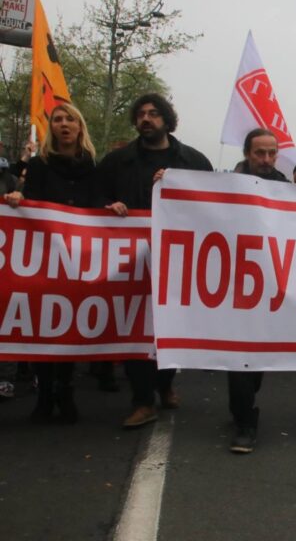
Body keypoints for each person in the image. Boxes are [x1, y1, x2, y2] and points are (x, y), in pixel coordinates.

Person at [95, 93, 213, 429]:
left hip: (177, 256)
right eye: (142, 114)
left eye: (154, 113)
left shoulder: (192, 160)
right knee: (137, 325)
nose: (147, 119)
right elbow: (96, 195)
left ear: (166, 119)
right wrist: (110, 205)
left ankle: (164, 384)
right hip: (130, 257)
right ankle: (142, 400)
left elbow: (212, 202)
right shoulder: (118, 161)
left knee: (170, 323)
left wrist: (177, 187)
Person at [4, 103, 98, 423]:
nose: (63, 124)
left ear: (79, 126)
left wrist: (111, 207)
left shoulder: (92, 167)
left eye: (69, 118)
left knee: (69, 325)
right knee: (45, 324)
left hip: (77, 259)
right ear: (52, 129)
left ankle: (66, 391)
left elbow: (96, 205)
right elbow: (31, 199)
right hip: (45, 257)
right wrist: (19, 199)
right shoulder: (41, 165)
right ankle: (45, 395)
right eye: (57, 119)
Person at [227, 129, 288, 454]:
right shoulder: (225, 185)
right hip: (233, 283)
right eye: (259, 153)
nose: (266, 160)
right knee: (240, 354)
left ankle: (242, 405)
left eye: (271, 153)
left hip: (269, 284)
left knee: (257, 356)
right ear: (247, 153)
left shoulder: (286, 187)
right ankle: (244, 421)